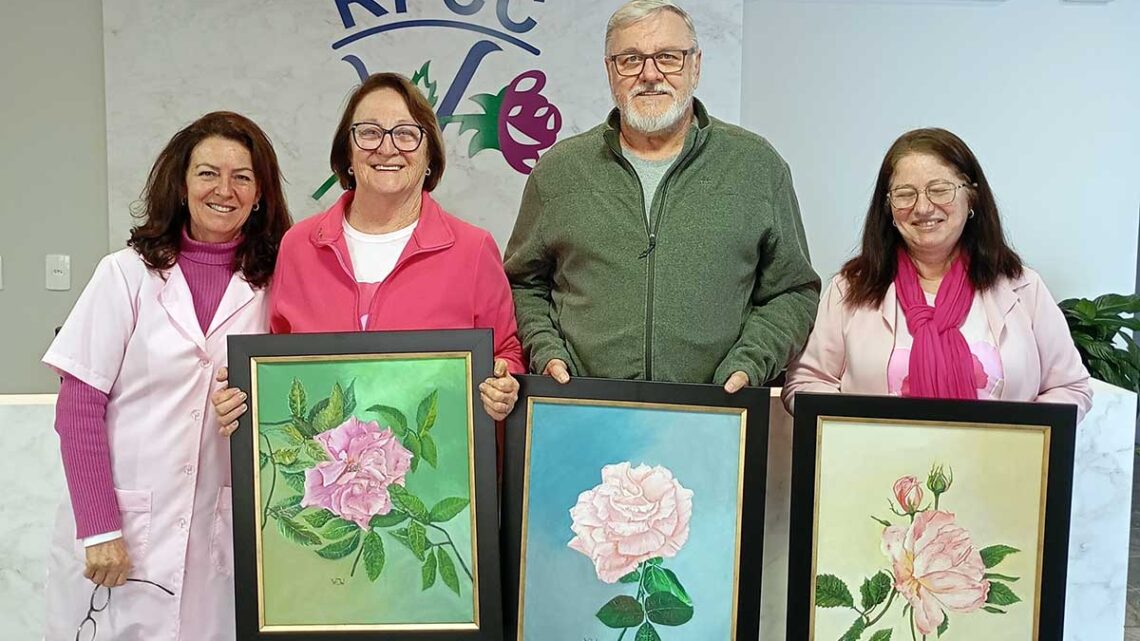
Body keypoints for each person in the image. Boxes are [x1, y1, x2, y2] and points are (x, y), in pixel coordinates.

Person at [42, 111, 292, 640]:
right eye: (207, 173)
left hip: (223, 532)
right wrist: (99, 526)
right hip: (125, 528)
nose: (223, 190)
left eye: (242, 177)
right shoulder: (125, 274)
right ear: (181, 185)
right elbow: (79, 406)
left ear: (260, 195)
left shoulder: (277, 285)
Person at [503, 0, 820, 391]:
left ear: (695, 66)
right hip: (583, 408)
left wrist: (749, 364)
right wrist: (547, 352)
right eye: (630, 59)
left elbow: (793, 291)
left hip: (718, 410)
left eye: (668, 57)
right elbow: (522, 284)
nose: (650, 74)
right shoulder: (559, 171)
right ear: (610, 71)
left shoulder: (756, 166)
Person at [212, 72, 523, 435]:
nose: (387, 148)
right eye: (369, 132)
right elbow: (277, 365)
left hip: (435, 464)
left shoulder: (473, 249)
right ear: (347, 153)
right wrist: (246, 398)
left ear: (429, 156)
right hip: (323, 466)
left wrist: (505, 385)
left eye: (405, 134)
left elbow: (507, 353)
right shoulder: (299, 246)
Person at [782, 127, 1092, 420]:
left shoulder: (1023, 287)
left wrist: (1019, 435)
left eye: (940, 190)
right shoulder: (851, 288)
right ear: (887, 207)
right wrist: (860, 433)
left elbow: (1071, 388)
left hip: (999, 459)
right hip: (879, 460)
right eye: (905, 194)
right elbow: (806, 384)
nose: (923, 208)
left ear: (972, 197)